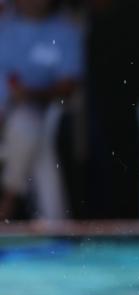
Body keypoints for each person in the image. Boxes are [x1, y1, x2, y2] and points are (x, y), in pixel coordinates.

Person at [0, 0, 82, 221]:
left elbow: (70, 84)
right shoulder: (4, 28)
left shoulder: (65, 31)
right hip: (6, 113)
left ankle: (8, 202)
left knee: (26, 125)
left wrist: (31, 94)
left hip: (39, 114)